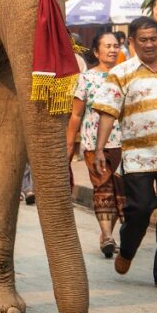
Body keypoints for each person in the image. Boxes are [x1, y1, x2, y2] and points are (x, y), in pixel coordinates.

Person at [91, 15, 157, 286]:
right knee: (139, 209)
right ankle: (127, 250)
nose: (149, 44)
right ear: (132, 42)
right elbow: (107, 112)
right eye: (143, 40)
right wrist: (100, 149)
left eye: (153, 39)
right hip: (137, 157)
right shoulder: (122, 73)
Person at [66, 30, 125, 258]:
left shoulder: (125, 76)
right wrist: (70, 143)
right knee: (103, 188)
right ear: (96, 51)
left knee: (121, 191)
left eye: (115, 46)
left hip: (125, 143)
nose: (112, 50)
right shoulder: (86, 78)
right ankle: (108, 236)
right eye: (107, 46)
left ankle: (107, 233)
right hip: (93, 143)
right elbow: (76, 115)